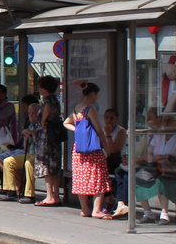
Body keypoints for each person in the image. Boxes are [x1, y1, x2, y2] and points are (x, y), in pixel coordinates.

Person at [65, 82, 112, 218]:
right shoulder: (89, 109)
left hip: (79, 149)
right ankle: (96, 210)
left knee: (81, 177)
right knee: (98, 176)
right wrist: (106, 146)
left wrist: (77, 130)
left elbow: (66, 123)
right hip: (93, 149)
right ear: (92, 94)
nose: (96, 97)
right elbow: (98, 130)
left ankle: (84, 209)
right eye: (96, 95)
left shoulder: (76, 109)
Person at [0, 93, 40, 203]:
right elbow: (26, 147)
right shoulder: (30, 125)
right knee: (8, 161)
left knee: (28, 163)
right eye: (30, 113)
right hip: (28, 152)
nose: (31, 116)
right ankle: (11, 190)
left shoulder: (41, 125)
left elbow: (42, 142)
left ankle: (30, 194)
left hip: (39, 154)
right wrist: (26, 138)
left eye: (34, 113)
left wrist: (33, 134)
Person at [33, 75, 67, 206]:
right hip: (55, 137)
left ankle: (49, 195)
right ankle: (57, 194)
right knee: (55, 166)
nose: (39, 88)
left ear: (45, 88)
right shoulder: (55, 99)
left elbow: (45, 113)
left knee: (46, 164)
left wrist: (42, 121)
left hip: (46, 137)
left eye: (41, 86)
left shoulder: (46, 100)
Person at [103, 108, 131, 219]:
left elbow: (114, 149)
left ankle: (116, 202)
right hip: (106, 159)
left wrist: (108, 135)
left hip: (119, 160)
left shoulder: (121, 131)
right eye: (106, 117)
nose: (109, 120)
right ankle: (109, 200)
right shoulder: (102, 129)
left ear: (117, 119)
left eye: (112, 118)